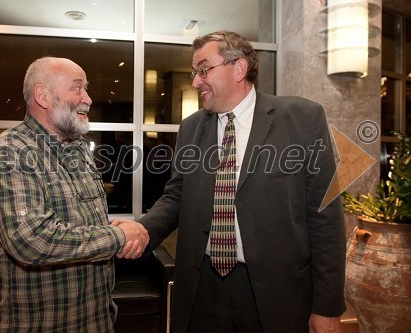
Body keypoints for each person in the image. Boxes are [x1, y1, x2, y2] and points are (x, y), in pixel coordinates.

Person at [115, 31, 346, 332]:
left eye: (203, 70)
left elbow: (325, 218)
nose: (196, 81)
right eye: (194, 73)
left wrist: (326, 307)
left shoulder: (302, 119)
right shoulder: (191, 128)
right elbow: (175, 197)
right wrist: (143, 230)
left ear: (238, 68)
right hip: (203, 288)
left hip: (278, 295)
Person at [0, 56, 149, 332]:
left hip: (95, 320)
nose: (89, 99)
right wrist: (117, 237)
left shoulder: (79, 148)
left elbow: (76, 223)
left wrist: (116, 228)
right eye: (78, 88)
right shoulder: (11, 151)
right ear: (42, 96)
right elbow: (32, 239)